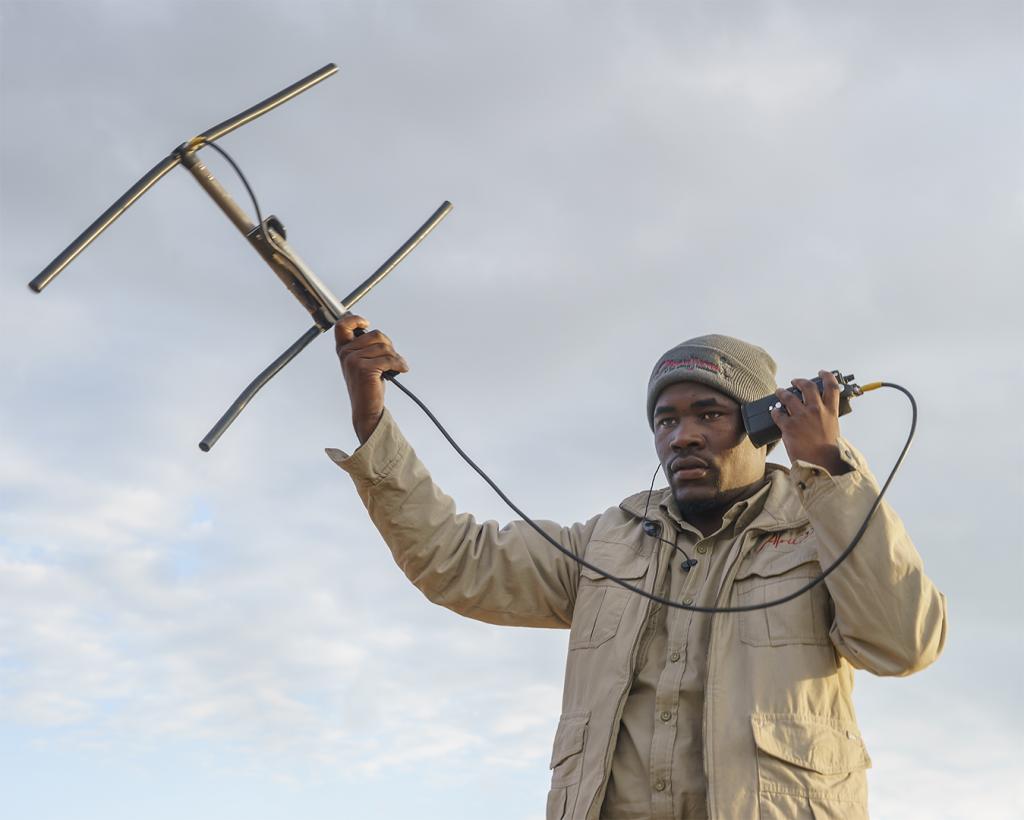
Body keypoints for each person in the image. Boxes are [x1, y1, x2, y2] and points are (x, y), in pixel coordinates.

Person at [327, 315, 946, 820]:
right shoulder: (603, 545)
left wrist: (832, 469)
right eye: (667, 420)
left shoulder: (826, 529)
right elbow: (456, 562)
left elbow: (903, 645)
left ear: (766, 426)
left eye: (709, 414)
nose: (682, 437)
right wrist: (371, 419)